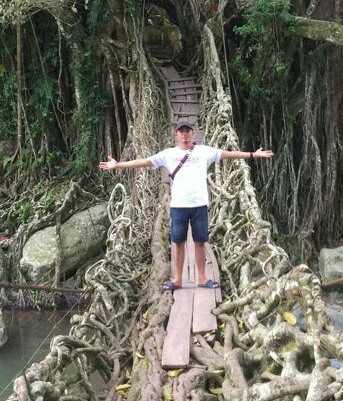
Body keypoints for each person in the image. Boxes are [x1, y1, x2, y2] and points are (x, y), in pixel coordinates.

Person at [99, 123, 273, 291]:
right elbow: (144, 162)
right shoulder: (169, 154)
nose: (184, 134)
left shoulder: (204, 151)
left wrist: (252, 155)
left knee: (200, 242)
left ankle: (203, 278)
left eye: (187, 131)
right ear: (176, 135)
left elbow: (228, 154)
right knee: (178, 243)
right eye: (181, 131)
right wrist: (118, 165)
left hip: (199, 205)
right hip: (179, 206)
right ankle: (178, 279)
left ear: (193, 133)